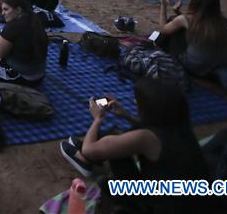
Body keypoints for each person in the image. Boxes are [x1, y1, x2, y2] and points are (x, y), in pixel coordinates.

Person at [58, 78, 209, 214]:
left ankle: (84, 160)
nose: (136, 103)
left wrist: (97, 119)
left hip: (160, 206)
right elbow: (151, 128)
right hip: (190, 201)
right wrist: (126, 115)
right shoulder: (180, 127)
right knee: (114, 141)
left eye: (138, 102)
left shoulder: (145, 138)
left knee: (111, 146)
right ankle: (88, 159)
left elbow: (88, 150)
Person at [157, 0, 227, 77]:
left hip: (196, 67)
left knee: (175, 30)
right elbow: (197, 24)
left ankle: (159, 45)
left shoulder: (185, 19)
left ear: (195, 3)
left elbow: (163, 30)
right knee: (177, 23)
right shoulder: (220, 20)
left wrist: (163, 4)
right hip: (220, 64)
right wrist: (178, 13)